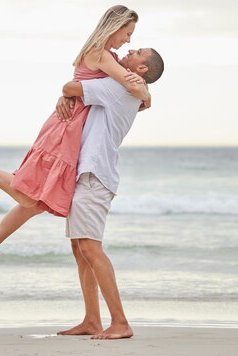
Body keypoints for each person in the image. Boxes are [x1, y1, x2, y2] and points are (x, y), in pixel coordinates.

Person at [0, 5, 150, 284]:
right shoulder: (100, 53)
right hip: (66, 127)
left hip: (73, 126)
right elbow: (132, 88)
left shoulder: (106, 55)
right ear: (115, 26)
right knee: (30, 194)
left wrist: (69, 92)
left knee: (35, 200)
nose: (129, 41)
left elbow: (103, 90)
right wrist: (147, 93)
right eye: (128, 33)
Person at [55, 47, 164, 340]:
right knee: (80, 249)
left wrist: (65, 94)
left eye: (137, 52)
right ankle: (92, 319)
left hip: (95, 174)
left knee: (90, 248)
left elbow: (70, 87)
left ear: (141, 70)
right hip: (90, 173)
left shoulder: (118, 86)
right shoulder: (126, 87)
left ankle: (120, 322)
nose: (129, 49)